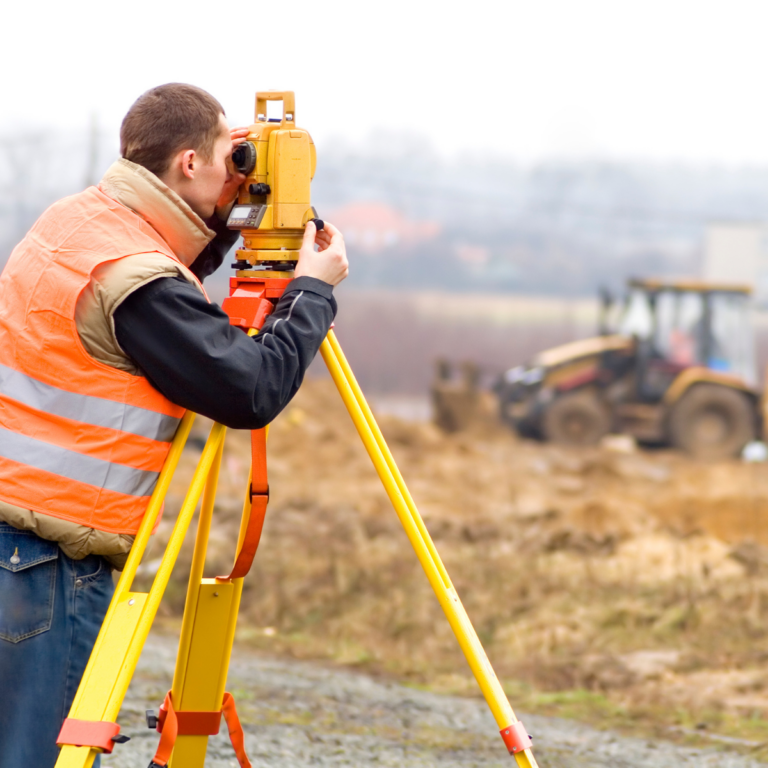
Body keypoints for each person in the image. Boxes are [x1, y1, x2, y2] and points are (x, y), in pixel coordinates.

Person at [0, 83, 348, 767]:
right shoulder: (138, 279)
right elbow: (251, 389)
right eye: (232, 155)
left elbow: (164, 285)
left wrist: (227, 222)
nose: (240, 170)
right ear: (190, 163)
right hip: (50, 564)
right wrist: (311, 290)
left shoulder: (77, 222)